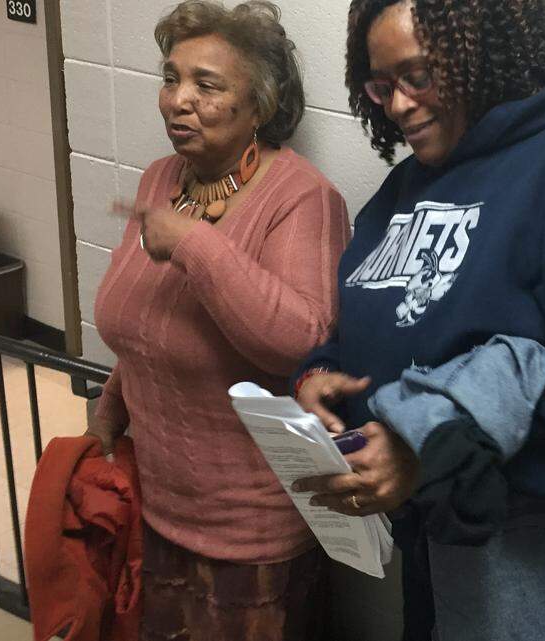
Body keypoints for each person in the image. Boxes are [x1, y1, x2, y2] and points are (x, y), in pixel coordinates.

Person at [290, 1, 545, 640]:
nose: (398, 105)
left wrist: (439, 461)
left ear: (478, 56)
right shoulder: (406, 189)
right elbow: (385, 313)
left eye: (420, 74)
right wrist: (325, 369)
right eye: (381, 85)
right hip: (444, 531)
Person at [87, 2, 350, 639]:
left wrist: (195, 245)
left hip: (253, 534)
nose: (178, 100)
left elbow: (298, 341)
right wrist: (112, 404)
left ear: (259, 106)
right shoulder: (158, 180)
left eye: (207, 86)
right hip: (158, 504)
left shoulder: (302, 198)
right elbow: (148, 321)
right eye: (171, 78)